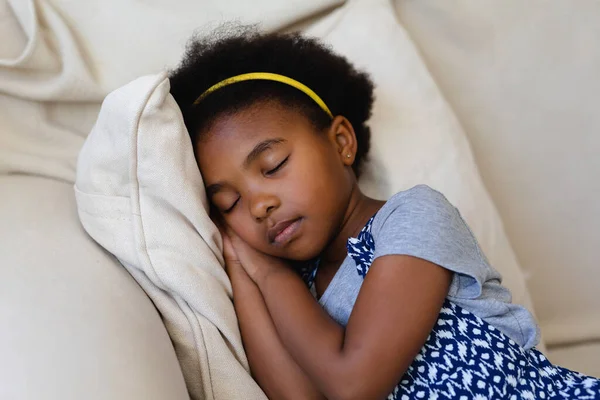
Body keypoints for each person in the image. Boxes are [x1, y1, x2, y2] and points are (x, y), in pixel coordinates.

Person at [169, 26, 600, 400]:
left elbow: (353, 383)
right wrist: (240, 263)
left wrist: (268, 276)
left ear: (341, 142)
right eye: (229, 203)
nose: (259, 205)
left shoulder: (412, 217)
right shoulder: (297, 290)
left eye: (273, 166)